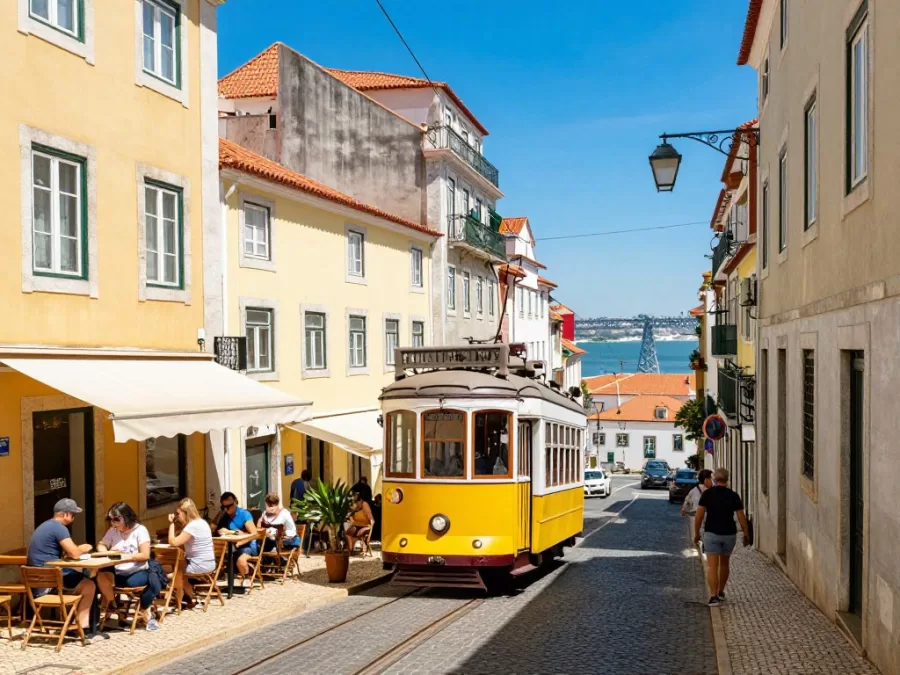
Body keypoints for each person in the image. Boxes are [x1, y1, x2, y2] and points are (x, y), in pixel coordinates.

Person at [26, 498, 95, 630]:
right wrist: (84, 547)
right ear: (65, 514)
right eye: (73, 515)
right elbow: (75, 553)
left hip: (37, 581)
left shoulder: (44, 526)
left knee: (82, 576)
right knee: (89, 584)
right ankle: (82, 626)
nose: (74, 518)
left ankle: (70, 617)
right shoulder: (59, 528)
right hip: (52, 580)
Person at [96, 502, 158, 631]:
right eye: (111, 519)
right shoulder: (113, 531)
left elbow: (145, 554)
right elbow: (101, 544)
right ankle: (113, 603)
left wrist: (126, 558)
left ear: (126, 517)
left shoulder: (140, 531)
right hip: (117, 571)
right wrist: (104, 552)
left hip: (137, 570)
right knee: (99, 576)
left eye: (116, 519)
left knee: (130, 582)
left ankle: (142, 610)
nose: (113, 522)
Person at [694, 468, 751, 607]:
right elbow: (740, 516)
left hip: (711, 533)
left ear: (714, 479)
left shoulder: (707, 494)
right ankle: (720, 591)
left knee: (712, 566)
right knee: (724, 564)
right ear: (727, 480)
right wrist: (746, 533)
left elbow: (699, 515)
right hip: (729, 534)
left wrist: (696, 533)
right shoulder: (734, 495)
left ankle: (713, 596)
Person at [167, 497, 216, 608]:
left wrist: (171, 524)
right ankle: (187, 597)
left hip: (199, 565)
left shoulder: (192, 527)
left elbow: (173, 542)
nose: (177, 517)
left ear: (185, 513)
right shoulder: (202, 522)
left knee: (173, 572)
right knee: (175, 568)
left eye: (178, 514)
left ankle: (185, 598)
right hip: (209, 563)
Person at [216, 492, 258, 578]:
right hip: (231, 547)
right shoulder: (225, 516)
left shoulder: (244, 514)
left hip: (248, 546)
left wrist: (240, 542)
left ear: (235, 502)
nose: (226, 509)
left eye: (229, 506)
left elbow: (254, 534)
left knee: (241, 561)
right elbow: (214, 528)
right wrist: (220, 514)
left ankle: (245, 581)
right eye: (223, 507)